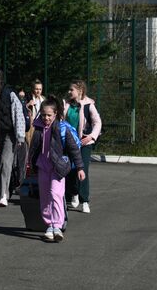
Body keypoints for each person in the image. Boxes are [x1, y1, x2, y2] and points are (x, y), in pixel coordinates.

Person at [29, 96, 85, 241]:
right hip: (42, 166)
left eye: (49, 115)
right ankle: (49, 225)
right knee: (45, 196)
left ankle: (58, 225)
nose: (46, 118)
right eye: (43, 115)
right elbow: (34, 148)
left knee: (55, 194)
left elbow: (73, 148)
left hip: (58, 167)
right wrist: (30, 163)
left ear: (55, 114)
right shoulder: (38, 128)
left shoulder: (62, 128)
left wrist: (80, 167)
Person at [0, 69, 26, 207]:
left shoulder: (10, 93)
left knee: (5, 163)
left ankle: (4, 194)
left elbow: (18, 115)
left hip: (9, 134)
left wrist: (20, 137)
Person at [63, 80, 102, 214]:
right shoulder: (66, 104)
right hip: (69, 142)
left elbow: (98, 122)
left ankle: (85, 200)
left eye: (71, 90)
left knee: (83, 170)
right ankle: (74, 194)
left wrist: (91, 137)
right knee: (70, 169)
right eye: (69, 90)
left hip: (84, 143)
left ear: (80, 91)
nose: (69, 92)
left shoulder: (89, 105)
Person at [25, 79, 45, 145]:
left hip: (42, 125)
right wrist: (27, 105)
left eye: (40, 89)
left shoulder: (44, 99)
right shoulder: (28, 98)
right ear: (33, 89)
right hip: (32, 126)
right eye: (36, 89)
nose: (38, 91)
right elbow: (21, 110)